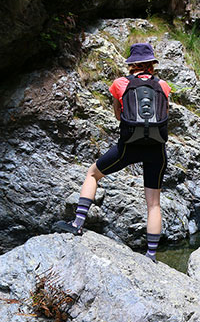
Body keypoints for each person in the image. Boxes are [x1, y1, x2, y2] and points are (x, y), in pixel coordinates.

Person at [56, 43, 171, 263]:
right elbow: (164, 114)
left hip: (128, 146)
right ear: (151, 64)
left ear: (132, 64)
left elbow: (119, 116)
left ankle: (77, 225)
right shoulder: (163, 85)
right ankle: (152, 255)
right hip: (157, 148)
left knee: (92, 174)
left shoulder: (120, 84)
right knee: (154, 204)